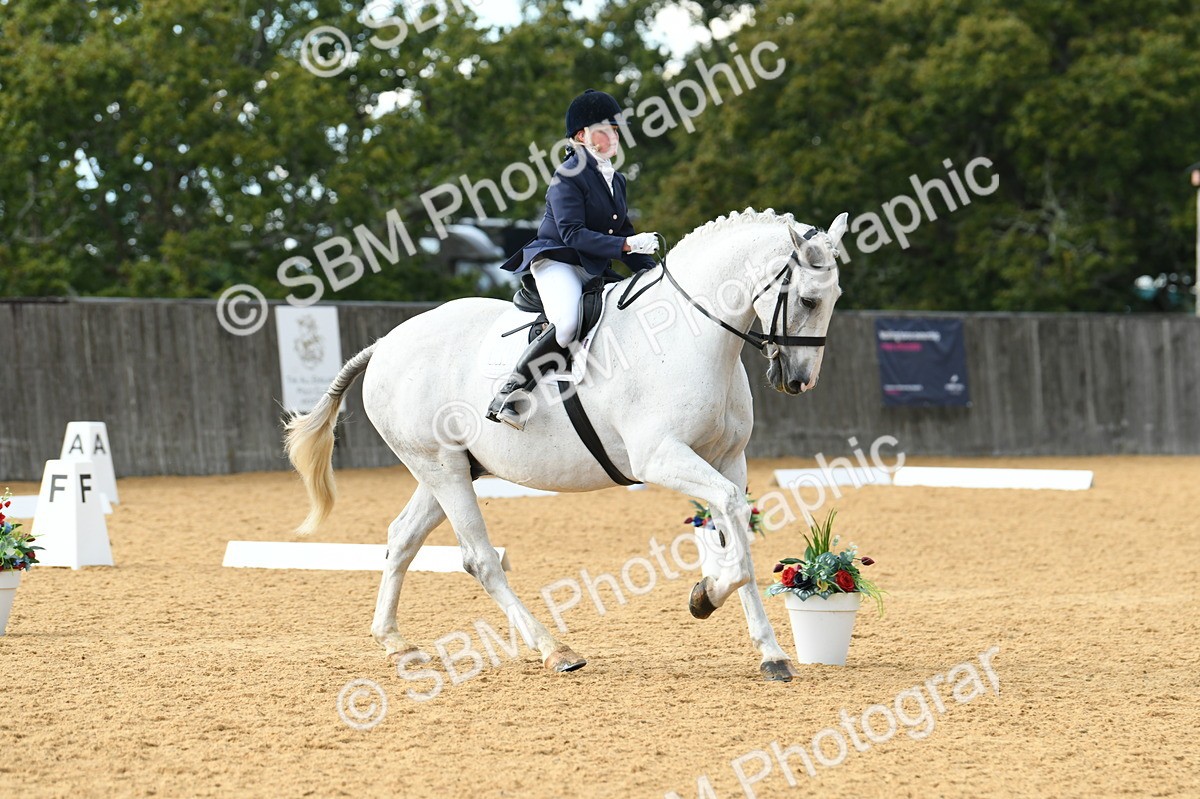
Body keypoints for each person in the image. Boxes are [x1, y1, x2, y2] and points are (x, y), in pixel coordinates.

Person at [487, 89, 660, 430]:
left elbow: (621, 230)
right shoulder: (568, 176)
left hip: (593, 265)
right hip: (558, 261)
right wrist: (626, 246)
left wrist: (656, 274)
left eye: (617, 129)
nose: (615, 135)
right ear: (581, 136)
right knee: (566, 324)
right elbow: (572, 235)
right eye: (606, 129)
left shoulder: (616, 180)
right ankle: (511, 393)